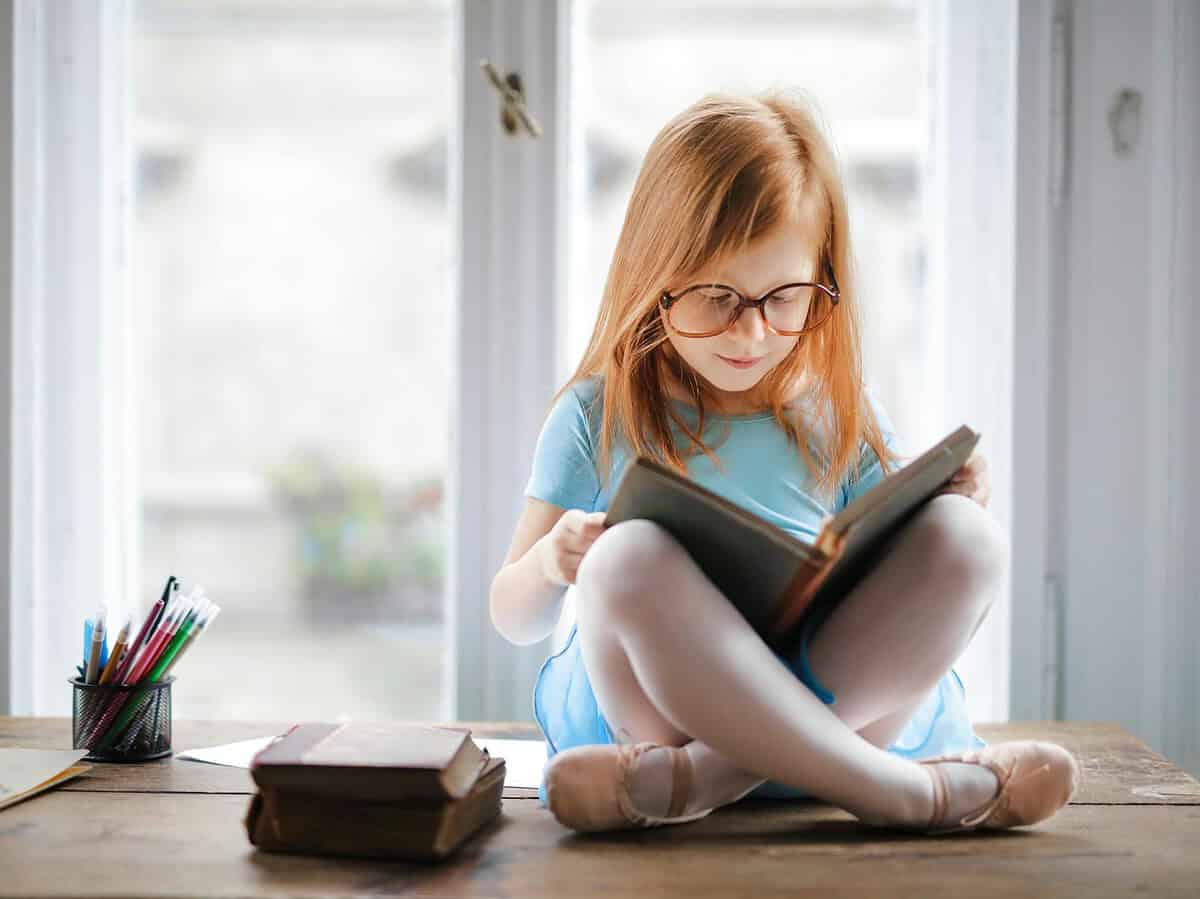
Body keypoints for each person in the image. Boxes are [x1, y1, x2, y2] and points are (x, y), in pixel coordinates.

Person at [489, 91, 1078, 835]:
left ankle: (706, 779)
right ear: (653, 276)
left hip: (819, 716)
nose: (753, 332)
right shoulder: (596, 414)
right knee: (622, 559)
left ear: (820, 282)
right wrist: (552, 561)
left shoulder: (838, 410)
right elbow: (512, 616)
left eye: (785, 298)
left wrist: (953, 496)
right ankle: (905, 794)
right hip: (661, 718)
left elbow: (908, 563)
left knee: (969, 537)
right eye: (715, 298)